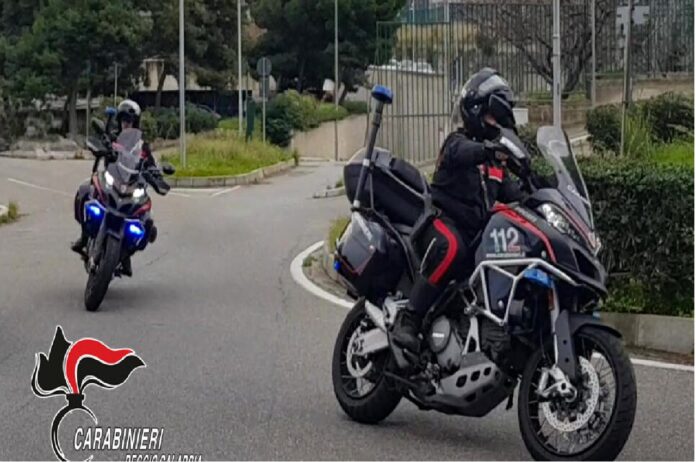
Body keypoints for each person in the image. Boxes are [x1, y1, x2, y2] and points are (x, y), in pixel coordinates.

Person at [390, 68, 524, 356]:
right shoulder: (456, 143)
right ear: (476, 112)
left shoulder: (495, 167)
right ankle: (409, 319)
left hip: (475, 236)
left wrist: (541, 189)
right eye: (492, 117)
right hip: (441, 224)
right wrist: (489, 149)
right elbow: (465, 152)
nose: (497, 124)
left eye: (499, 119)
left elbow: (516, 195)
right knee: (452, 247)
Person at [70, 99, 159, 276]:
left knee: (147, 221)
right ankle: (84, 237)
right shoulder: (112, 136)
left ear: (135, 122)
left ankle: (126, 255)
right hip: (111, 181)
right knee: (84, 190)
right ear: (119, 120)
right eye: (124, 119)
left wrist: (156, 173)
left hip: (131, 187)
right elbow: (99, 143)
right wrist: (102, 145)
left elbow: (151, 164)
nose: (127, 123)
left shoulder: (142, 146)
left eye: (130, 120)